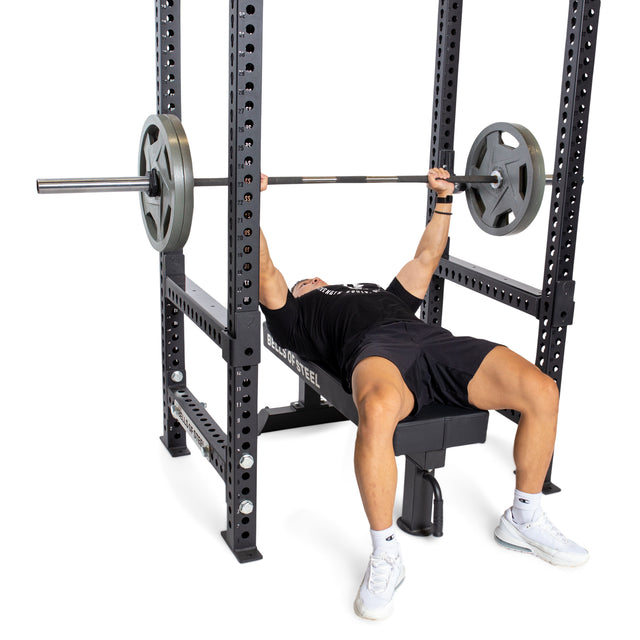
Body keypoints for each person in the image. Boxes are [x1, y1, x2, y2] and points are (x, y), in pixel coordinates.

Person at [258, 170, 588, 621]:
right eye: (304, 281)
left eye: (314, 278)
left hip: (433, 342)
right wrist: (248, 203)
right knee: (376, 409)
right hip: (374, 354)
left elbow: (426, 258)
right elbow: (265, 271)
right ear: (299, 291)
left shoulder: (378, 293)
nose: (312, 278)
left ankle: (524, 518)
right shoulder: (295, 318)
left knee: (541, 389)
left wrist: (445, 199)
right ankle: (386, 554)